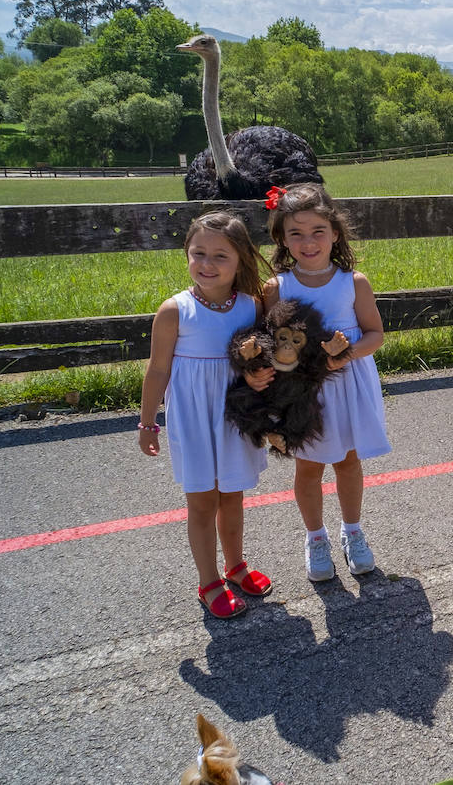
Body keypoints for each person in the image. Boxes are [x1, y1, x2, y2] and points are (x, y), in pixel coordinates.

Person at [247, 184, 391, 581]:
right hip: (303, 392)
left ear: (335, 232)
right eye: (296, 233)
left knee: (347, 460)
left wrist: (343, 354)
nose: (308, 242)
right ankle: (315, 537)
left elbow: (375, 334)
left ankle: (353, 532)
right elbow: (266, 343)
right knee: (308, 467)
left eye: (317, 231)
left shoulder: (353, 282)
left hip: (347, 385)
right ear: (281, 238)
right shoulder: (277, 288)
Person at [139, 211, 274, 620]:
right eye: (198, 254)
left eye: (220, 256)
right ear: (186, 254)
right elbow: (158, 369)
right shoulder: (174, 310)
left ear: (240, 261)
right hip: (195, 420)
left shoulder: (252, 307)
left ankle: (235, 566)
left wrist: (260, 381)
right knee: (201, 502)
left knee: (232, 495)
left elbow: (261, 362)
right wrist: (147, 423)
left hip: (236, 417)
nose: (207, 264)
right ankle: (208, 579)